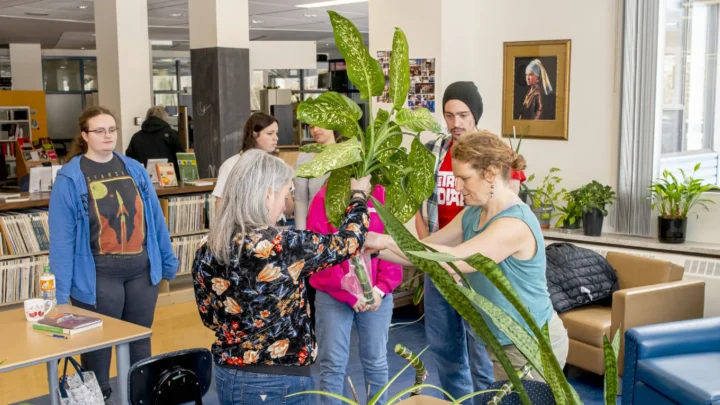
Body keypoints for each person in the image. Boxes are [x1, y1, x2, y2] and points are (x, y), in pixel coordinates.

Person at [366, 131, 568, 390]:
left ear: (491, 173)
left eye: (464, 178)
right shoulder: (473, 213)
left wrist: (384, 241)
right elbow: (426, 248)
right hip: (502, 343)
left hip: (532, 345)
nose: (457, 187)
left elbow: (452, 260)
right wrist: (370, 247)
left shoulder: (513, 224)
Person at [192, 149, 372, 405]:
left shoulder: (206, 248)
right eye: (287, 192)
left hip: (228, 374)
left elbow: (209, 318)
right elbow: (350, 242)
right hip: (279, 381)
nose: (286, 203)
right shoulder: (282, 245)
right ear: (268, 195)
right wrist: (359, 196)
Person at [49, 106, 179, 402]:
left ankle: (142, 396)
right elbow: (62, 240)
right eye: (100, 130)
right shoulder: (70, 178)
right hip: (98, 277)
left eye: (112, 130)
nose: (108, 136)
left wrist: (168, 260)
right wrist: (59, 298)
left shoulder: (132, 167)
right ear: (84, 135)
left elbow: (155, 219)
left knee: (139, 341)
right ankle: (100, 398)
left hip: (141, 273)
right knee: (97, 347)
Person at [307, 184, 401, 405]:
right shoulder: (325, 197)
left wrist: (380, 289)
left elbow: (392, 244)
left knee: (376, 362)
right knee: (332, 364)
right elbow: (319, 253)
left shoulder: (383, 195)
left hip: (376, 296)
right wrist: (348, 293)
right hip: (333, 295)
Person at [212, 112, 283, 208]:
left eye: (276, 133)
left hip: (276, 221)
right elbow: (220, 204)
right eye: (270, 133)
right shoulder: (231, 165)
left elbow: (288, 207)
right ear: (254, 135)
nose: (276, 138)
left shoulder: (279, 164)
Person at [294, 125, 343, 231]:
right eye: (311, 127)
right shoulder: (305, 156)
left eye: (320, 125)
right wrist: (301, 235)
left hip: (343, 227)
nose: (315, 130)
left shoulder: (347, 154)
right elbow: (300, 201)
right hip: (315, 227)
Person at [125, 106, 186, 174]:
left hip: (143, 177)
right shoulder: (171, 134)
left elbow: (129, 159)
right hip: (169, 177)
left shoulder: (136, 137)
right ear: (164, 117)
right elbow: (182, 156)